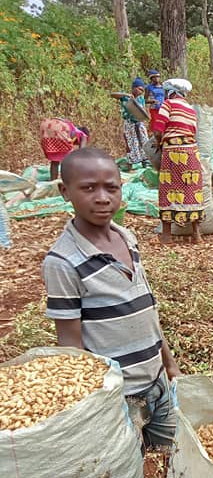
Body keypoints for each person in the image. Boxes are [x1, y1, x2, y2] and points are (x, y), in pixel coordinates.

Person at [43, 148, 181, 449]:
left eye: (111, 187)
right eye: (89, 188)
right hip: (119, 395)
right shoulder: (63, 262)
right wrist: (91, 403)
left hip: (158, 380)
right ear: (65, 191)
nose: (103, 197)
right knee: (125, 469)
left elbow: (148, 310)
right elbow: (71, 347)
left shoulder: (126, 238)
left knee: (175, 459)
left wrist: (169, 365)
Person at [153, 79, 203, 244]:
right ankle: (196, 234)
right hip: (191, 152)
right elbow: (193, 131)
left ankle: (167, 235)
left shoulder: (168, 104)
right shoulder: (191, 109)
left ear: (170, 92)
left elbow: (158, 128)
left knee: (168, 188)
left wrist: (158, 143)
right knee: (191, 189)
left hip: (173, 151)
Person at [116, 77, 151, 169]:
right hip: (129, 123)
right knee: (132, 142)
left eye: (142, 90)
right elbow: (114, 95)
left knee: (144, 140)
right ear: (134, 88)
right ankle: (133, 162)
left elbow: (143, 111)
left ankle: (145, 160)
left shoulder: (141, 99)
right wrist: (127, 95)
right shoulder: (125, 97)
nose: (141, 91)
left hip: (139, 123)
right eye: (139, 89)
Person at [145, 69, 165, 134]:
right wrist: (152, 101)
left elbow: (166, 97)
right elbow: (145, 100)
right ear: (151, 78)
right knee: (155, 124)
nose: (156, 78)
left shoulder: (163, 87)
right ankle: (153, 138)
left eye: (157, 77)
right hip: (154, 109)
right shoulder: (149, 87)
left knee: (162, 124)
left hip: (163, 109)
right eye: (154, 77)